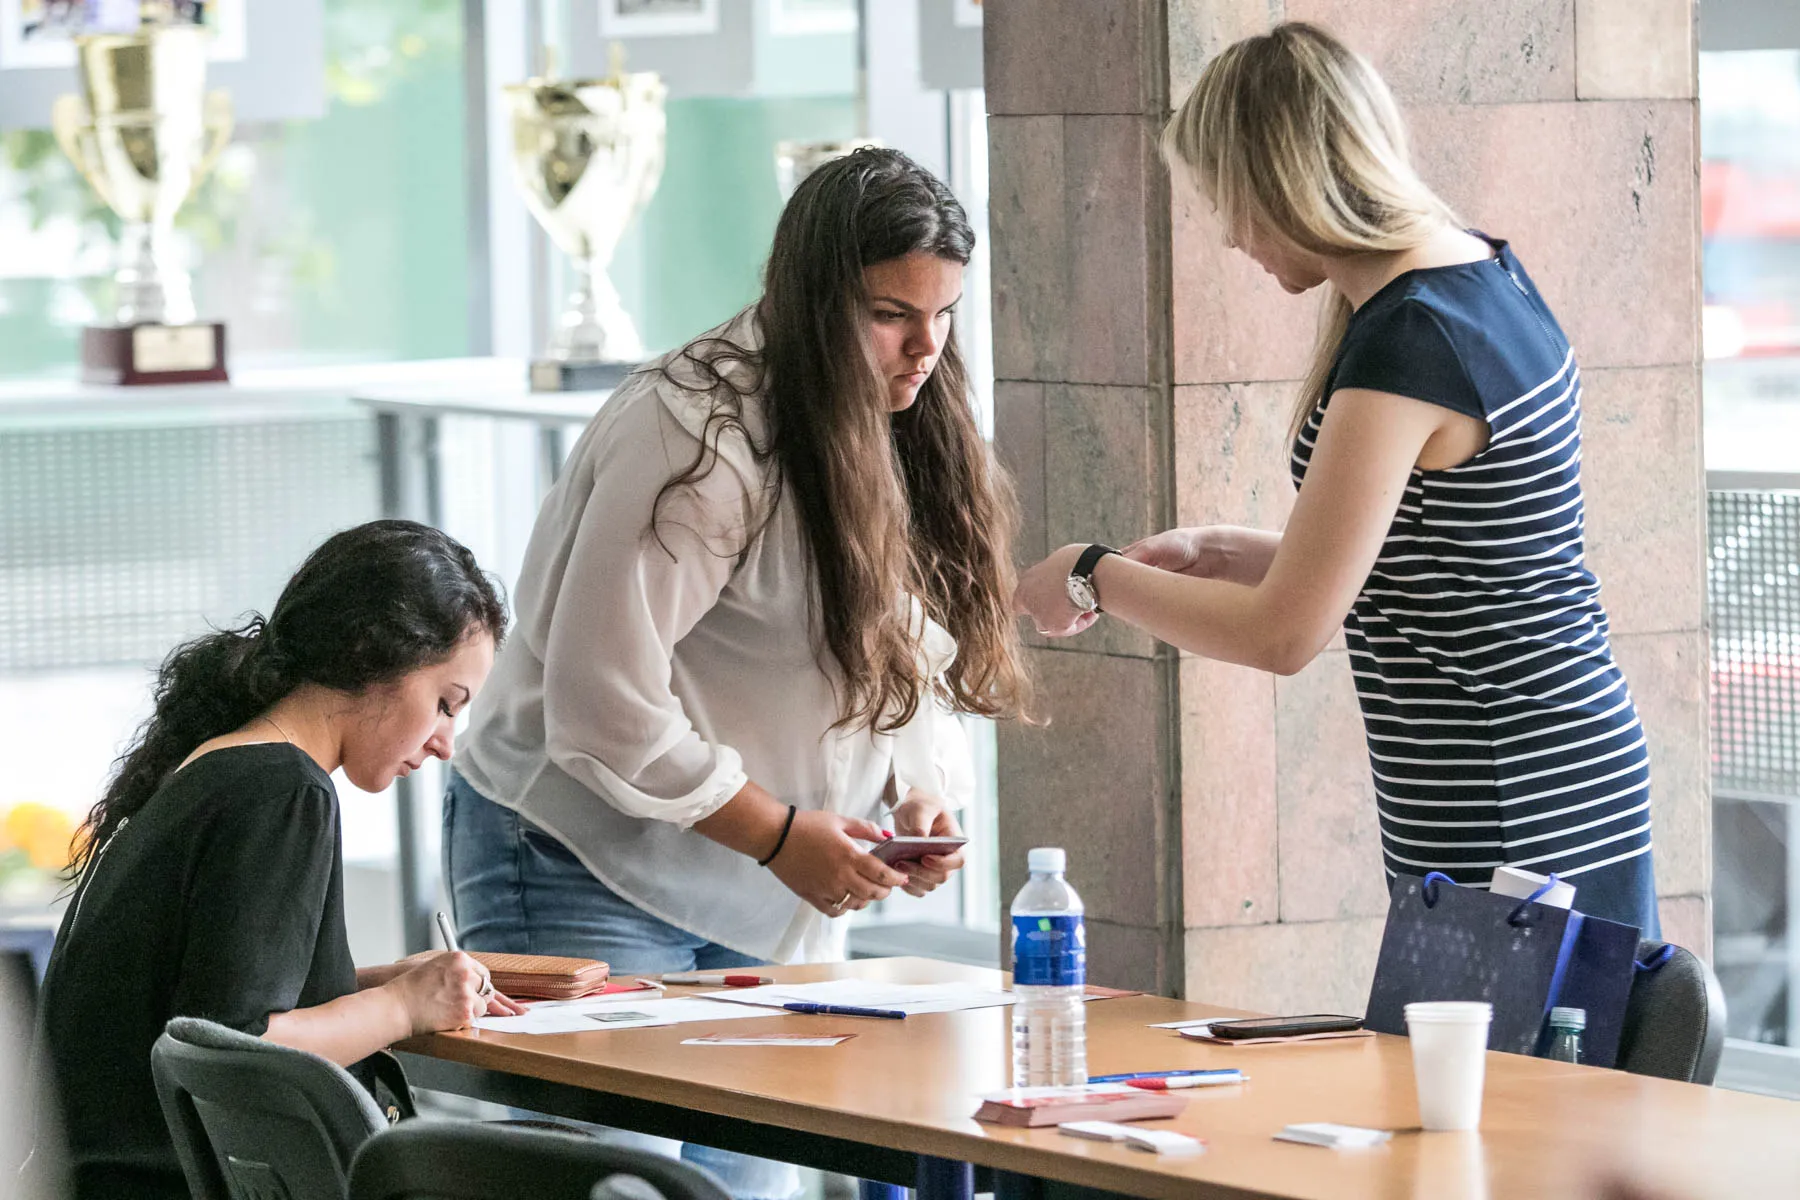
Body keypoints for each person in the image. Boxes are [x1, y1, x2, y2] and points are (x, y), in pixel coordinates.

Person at [445, 147, 1027, 1197]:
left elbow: (898, 646)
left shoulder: (900, 414)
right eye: (891, 315)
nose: (925, 349)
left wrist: (917, 796)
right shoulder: (695, 437)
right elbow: (600, 701)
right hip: (578, 858)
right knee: (619, 1189)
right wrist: (779, 834)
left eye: (943, 315)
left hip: (758, 888)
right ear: (810, 300)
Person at [1015, 22, 1659, 934]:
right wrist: (1221, 551)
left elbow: (1283, 634)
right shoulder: (1480, 276)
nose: (1230, 236)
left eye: (1228, 198)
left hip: (1508, 798)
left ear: (1282, 181)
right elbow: (1453, 553)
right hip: (1554, 770)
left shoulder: (1412, 340)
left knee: (1486, 1039)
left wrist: (1092, 574)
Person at [37, 520, 520, 1200]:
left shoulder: (216, 767)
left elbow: (209, 995)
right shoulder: (285, 791)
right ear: (371, 652)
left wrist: (373, 983)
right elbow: (237, 1051)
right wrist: (404, 1007)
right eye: (445, 703)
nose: (446, 742)